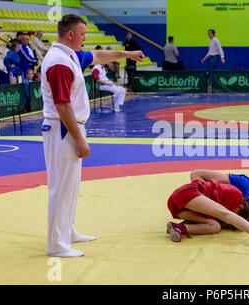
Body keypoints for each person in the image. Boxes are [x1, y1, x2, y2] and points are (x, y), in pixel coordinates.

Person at [41, 14, 144, 258]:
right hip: (63, 127)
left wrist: (127, 55)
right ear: (70, 35)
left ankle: (67, 231)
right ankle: (56, 244)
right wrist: (79, 139)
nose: (85, 39)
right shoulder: (59, 62)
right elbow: (62, 105)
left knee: (71, 186)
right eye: (83, 34)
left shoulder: (71, 56)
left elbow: (98, 56)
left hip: (69, 125)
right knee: (61, 187)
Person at [166, 170, 249, 246]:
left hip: (178, 208)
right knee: (225, 215)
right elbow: (227, 215)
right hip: (189, 194)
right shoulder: (237, 193)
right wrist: (201, 194)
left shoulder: (236, 196)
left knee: (215, 226)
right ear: (240, 207)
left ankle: (179, 228)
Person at [92, 46, 128, 112]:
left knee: (122, 89)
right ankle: (115, 107)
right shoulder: (96, 68)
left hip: (107, 83)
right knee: (117, 91)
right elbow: (97, 80)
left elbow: (106, 78)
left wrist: (113, 82)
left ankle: (117, 105)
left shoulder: (102, 68)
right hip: (102, 85)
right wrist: (107, 83)